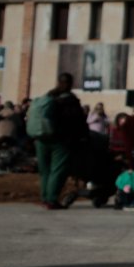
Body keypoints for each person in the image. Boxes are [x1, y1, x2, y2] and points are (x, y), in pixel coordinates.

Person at [31, 73, 88, 209]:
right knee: (57, 170)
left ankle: (45, 197)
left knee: (44, 170)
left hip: (41, 138)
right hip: (61, 141)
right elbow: (78, 121)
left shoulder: (48, 97)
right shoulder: (70, 100)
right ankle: (51, 199)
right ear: (70, 83)